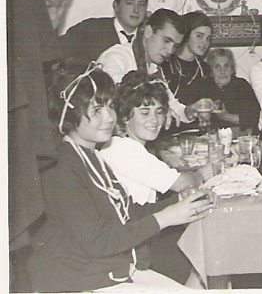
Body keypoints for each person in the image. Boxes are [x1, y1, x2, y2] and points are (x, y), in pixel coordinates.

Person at [27, 64, 215, 292]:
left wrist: (181, 201)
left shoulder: (91, 155)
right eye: (97, 110)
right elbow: (99, 242)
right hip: (76, 279)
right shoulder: (61, 168)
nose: (109, 117)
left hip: (104, 269)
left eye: (110, 106)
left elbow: (127, 213)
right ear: (70, 114)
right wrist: (166, 217)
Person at [99, 71, 213, 284]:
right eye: (144, 113)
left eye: (159, 112)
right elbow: (183, 184)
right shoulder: (125, 150)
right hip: (133, 247)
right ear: (125, 116)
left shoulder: (123, 145)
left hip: (141, 233)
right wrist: (212, 167)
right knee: (210, 257)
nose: (154, 120)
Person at [97, 8, 205, 126]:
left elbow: (171, 105)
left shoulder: (154, 67)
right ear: (148, 31)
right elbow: (117, 97)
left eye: (175, 46)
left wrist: (189, 111)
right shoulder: (117, 56)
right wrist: (160, 110)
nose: (170, 50)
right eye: (166, 41)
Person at [60, 0, 148, 65]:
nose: (136, 10)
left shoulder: (149, 36)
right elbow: (58, 51)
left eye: (141, 4)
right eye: (129, 3)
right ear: (116, 6)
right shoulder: (90, 30)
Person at [160, 10, 215, 133]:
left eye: (208, 38)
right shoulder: (165, 65)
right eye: (199, 36)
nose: (204, 43)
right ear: (186, 35)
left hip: (198, 135)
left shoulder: (205, 69)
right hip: (167, 133)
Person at [206, 48, 261, 136]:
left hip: (242, 137)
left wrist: (226, 117)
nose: (222, 71)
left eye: (226, 66)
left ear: (232, 70)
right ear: (211, 71)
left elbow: (254, 118)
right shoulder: (205, 88)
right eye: (217, 67)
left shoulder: (241, 86)